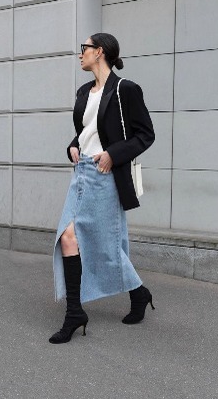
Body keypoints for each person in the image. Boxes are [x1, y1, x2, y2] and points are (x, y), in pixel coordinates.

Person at [49, 33, 156, 344]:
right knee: (70, 238)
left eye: (84, 48)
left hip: (105, 176)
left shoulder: (126, 90)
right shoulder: (85, 91)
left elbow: (145, 135)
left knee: (97, 244)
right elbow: (84, 133)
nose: (80, 53)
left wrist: (113, 154)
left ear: (100, 52)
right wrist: (71, 146)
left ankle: (131, 296)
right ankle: (78, 312)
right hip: (81, 172)